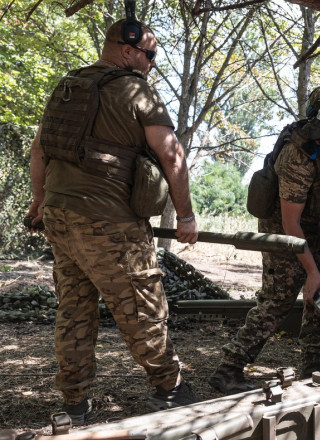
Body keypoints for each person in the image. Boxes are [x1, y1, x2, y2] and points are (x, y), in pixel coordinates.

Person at [26, 19, 200, 424]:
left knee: (74, 307)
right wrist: (186, 216)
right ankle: (169, 388)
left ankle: (73, 401)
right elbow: (172, 157)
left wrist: (39, 202)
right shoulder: (135, 88)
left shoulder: (67, 87)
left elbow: (39, 152)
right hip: (108, 221)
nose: (153, 64)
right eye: (150, 55)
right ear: (127, 50)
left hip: (60, 217)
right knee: (142, 304)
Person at [209, 84, 320, 394]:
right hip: (284, 230)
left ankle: (313, 363)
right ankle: (228, 369)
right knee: (278, 300)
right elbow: (291, 223)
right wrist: (311, 270)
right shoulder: (297, 154)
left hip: (316, 225)